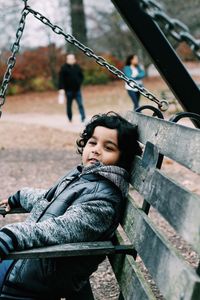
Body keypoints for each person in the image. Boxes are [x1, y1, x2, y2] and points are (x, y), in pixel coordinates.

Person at [0, 112, 142, 299]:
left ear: (121, 158)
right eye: (92, 142)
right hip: (25, 265)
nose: (96, 150)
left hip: (31, 280)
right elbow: (49, 200)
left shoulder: (104, 200)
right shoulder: (84, 178)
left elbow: (62, 228)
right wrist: (18, 197)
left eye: (108, 147)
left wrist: (12, 235)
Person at [58, 53, 86, 123]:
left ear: (74, 59)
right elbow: (61, 79)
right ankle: (70, 118)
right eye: (69, 59)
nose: (71, 60)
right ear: (67, 60)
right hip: (68, 91)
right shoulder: (64, 68)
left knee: (80, 104)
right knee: (69, 106)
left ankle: (83, 118)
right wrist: (61, 88)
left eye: (72, 59)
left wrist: (79, 83)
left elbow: (81, 76)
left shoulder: (77, 67)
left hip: (77, 90)